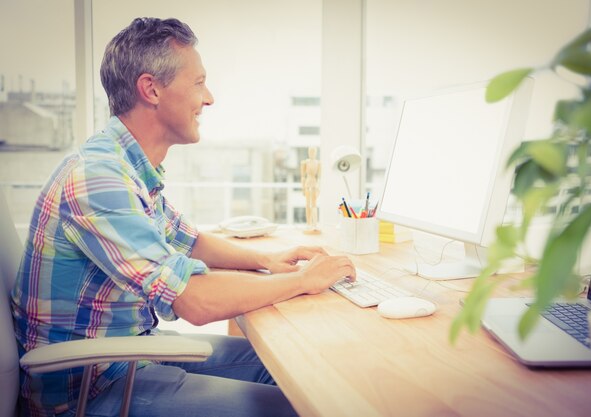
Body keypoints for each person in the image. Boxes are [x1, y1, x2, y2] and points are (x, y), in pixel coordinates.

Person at [11, 17, 355, 417]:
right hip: (90, 389)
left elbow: (187, 239)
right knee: (297, 407)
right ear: (151, 89)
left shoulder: (128, 166)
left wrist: (267, 261)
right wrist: (301, 281)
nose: (208, 98)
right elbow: (192, 300)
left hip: (128, 355)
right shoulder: (98, 178)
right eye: (198, 83)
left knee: (296, 370)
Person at [300, 146, 321, 232]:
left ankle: (314, 224)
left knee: (314, 204)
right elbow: (302, 176)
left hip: (314, 183)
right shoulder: (305, 163)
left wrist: (318, 187)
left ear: (316, 152)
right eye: (310, 151)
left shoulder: (318, 163)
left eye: (313, 151)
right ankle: (308, 223)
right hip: (308, 183)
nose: (312, 153)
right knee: (308, 204)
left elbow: (319, 177)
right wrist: (302, 187)